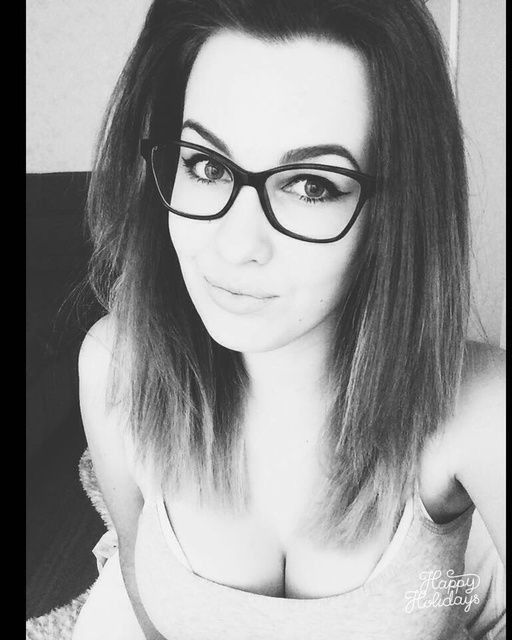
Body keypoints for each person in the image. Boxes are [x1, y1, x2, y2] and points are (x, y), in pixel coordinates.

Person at [72, 0, 505, 638]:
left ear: (397, 211)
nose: (236, 244)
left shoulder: (480, 407)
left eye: (312, 186)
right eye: (206, 166)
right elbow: (143, 595)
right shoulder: (116, 367)